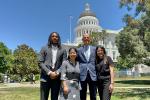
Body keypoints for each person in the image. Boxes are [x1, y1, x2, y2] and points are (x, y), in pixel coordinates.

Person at [39, 32, 67, 100]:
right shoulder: (44, 48)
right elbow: (40, 62)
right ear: (50, 38)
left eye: (56, 36)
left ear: (58, 38)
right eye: (53, 36)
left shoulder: (63, 49)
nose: (55, 37)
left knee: (54, 98)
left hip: (57, 79)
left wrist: (57, 72)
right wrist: (49, 72)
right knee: (43, 98)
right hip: (45, 77)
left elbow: (64, 63)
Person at [78, 33, 97, 100]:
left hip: (92, 74)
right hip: (82, 74)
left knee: (93, 94)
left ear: (90, 39)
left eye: (87, 37)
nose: (86, 39)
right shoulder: (79, 50)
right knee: (82, 94)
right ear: (82, 39)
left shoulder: (94, 49)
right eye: (85, 37)